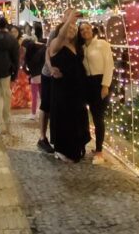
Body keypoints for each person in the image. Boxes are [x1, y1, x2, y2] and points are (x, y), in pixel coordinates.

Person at [48, 10, 91, 162]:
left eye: (74, 29)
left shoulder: (77, 46)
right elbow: (55, 43)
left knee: (78, 117)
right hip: (63, 88)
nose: (72, 30)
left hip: (77, 88)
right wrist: (70, 20)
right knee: (64, 117)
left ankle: (77, 146)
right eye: (69, 28)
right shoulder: (57, 44)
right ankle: (63, 149)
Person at [78, 22, 114, 165]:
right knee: (89, 115)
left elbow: (109, 65)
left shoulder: (102, 44)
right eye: (82, 30)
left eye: (87, 28)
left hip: (100, 83)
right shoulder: (82, 47)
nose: (85, 31)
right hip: (87, 84)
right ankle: (90, 144)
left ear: (92, 30)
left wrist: (105, 85)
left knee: (98, 117)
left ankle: (99, 151)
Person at [36, 27, 59, 154]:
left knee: (56, 105)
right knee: (46, 105)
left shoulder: (74, 32)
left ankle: (57, 138)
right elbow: (47, 51)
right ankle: (42, 137)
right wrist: (50, 67)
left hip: (61, 76)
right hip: (48, 74)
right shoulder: (56, 32)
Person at [9, 25, 31, 109]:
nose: (14, 33)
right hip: (12, 65)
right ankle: (15, 101)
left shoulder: (22, 41)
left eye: (15, 31)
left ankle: (22, 101)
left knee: (22, 84)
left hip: (21, 65)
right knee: (14, 84)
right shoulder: (9, 41)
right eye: (12, 31)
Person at [23, 38, 45, 121]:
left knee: (34, 96)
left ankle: (33, 113)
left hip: (34, 77)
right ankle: (43, 112)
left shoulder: (28, 55)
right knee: (43, 95)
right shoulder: (42, 50)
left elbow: (25, 67)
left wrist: (29, 73)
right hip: (42, 75)